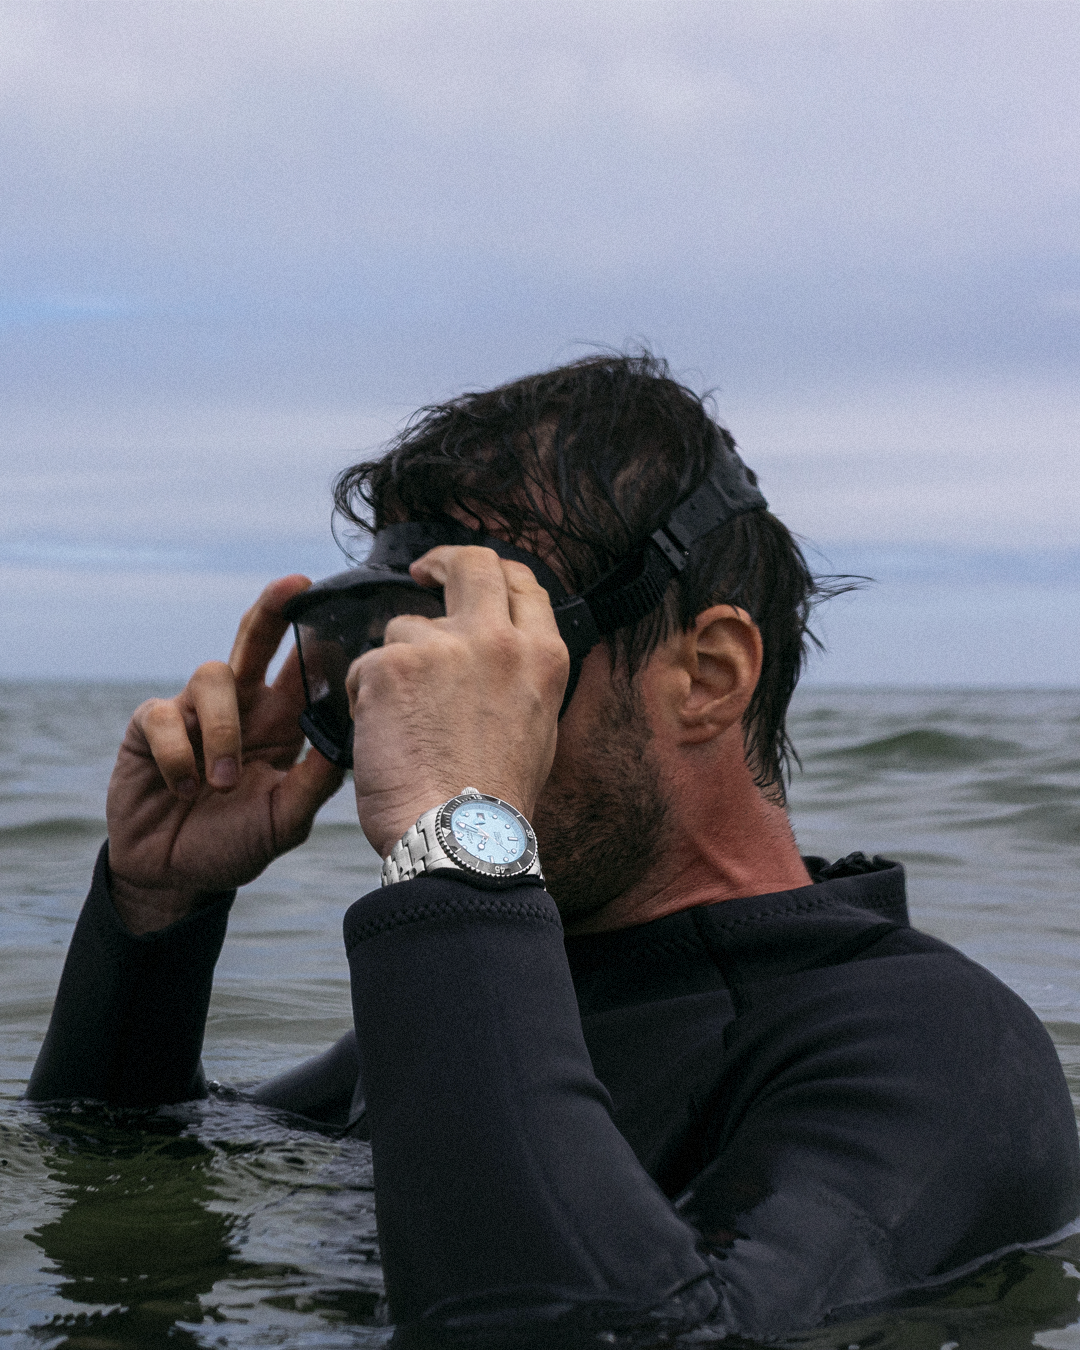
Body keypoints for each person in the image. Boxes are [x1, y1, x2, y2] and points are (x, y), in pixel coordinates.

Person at [27, 354, 1080, 1344]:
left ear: (707, 677)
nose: (407, 717)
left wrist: (455, 843)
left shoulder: (936, 1048)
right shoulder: (506, 997)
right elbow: (111, 1183)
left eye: (493, 661)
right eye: (391, 650)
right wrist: (156, 914)